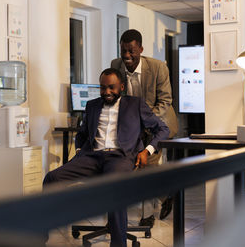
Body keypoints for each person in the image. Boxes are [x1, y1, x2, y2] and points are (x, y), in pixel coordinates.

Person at [43, 68, 169, 247]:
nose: (107, 92)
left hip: (121, 157)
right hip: (92, 156)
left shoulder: (136, 104)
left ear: (122, 87)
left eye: (112, 87)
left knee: (114, 187)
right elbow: (82, 133)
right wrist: (79, 151)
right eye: (103, 88)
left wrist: (146, 151)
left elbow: (163, 129)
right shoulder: (92, 105)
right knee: (52, 178)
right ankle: (39, 236)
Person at [111, 29, 178, 226]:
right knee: (133, 166)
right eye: (123, 50)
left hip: (157, 124)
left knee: (146, 165)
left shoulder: (158, 67)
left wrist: (145, 122)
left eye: (131, 51)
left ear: (140, 49)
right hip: (132, 126)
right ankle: (166, 195)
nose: (127, 56)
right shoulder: (116, 65)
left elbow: (165, 101)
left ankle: (147, 215)